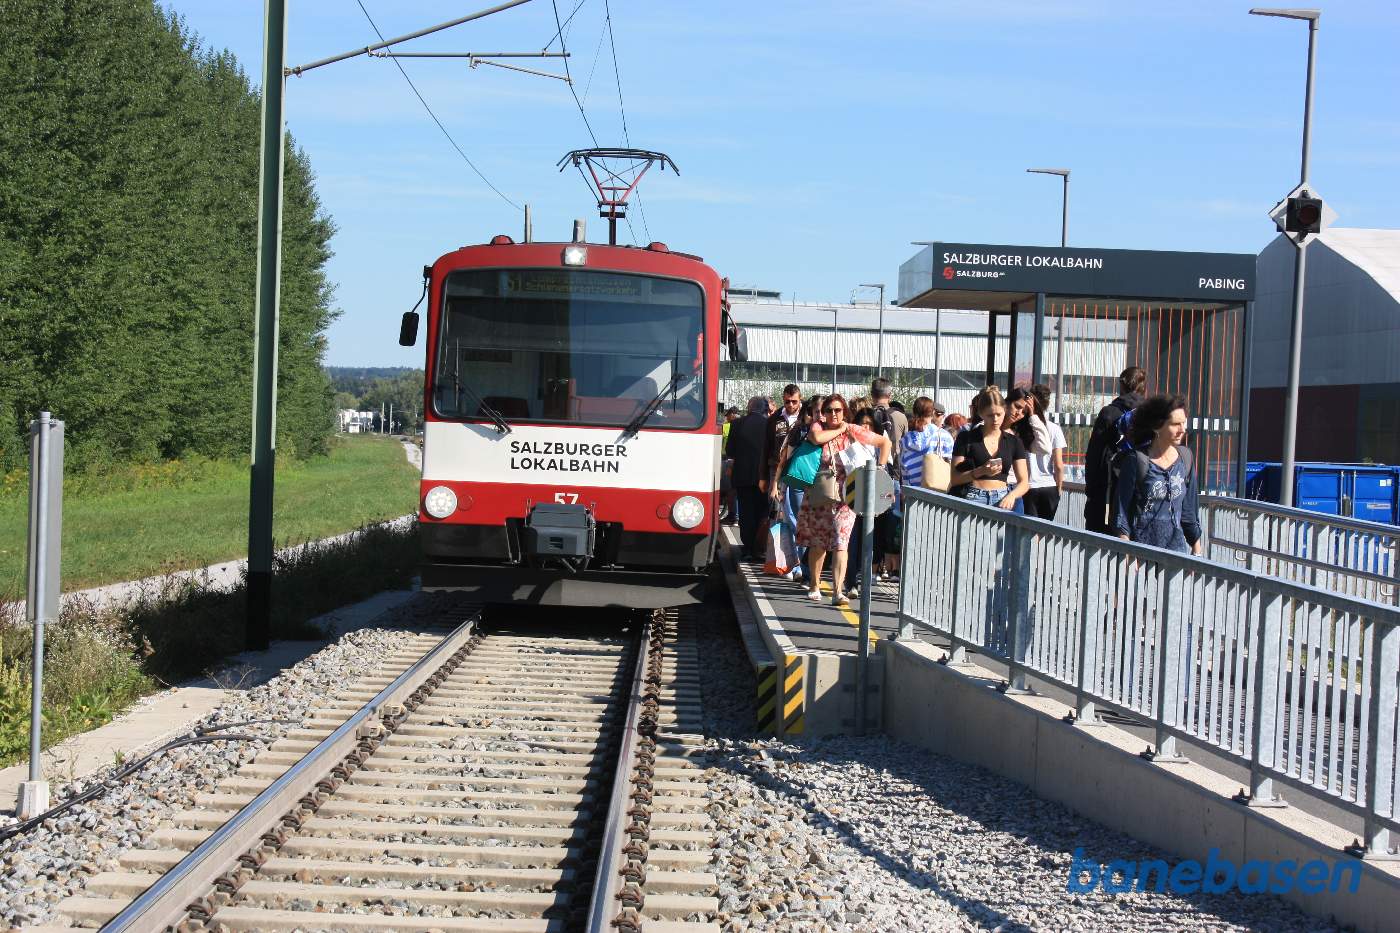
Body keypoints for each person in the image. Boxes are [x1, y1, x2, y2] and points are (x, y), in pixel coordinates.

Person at [797, 394, 891, 608]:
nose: (834, 414)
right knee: (819, 543)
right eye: (829, 410)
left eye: (838, 410)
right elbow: (817, 439)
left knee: (841, 543)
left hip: (846, 494)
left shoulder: (854, 430)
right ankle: (814, 583)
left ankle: (838, 590)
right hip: (820, 493)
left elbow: (884, 441)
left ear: (844, 412)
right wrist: (841, 429)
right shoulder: (817, 427)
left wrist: (880, 469)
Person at [1114, 393, 1202, 555]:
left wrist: (1196, 550)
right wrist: (1126, 552)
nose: (1182, 430)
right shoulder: (1136, 460)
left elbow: (1189, 512)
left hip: (1176, 554)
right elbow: (1122, 513)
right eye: (1175, 424)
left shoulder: (1186, 458)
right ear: (1157, 426)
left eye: (1183, 423)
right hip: (1140, 554)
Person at [1084, 366, 1146, 534]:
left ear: (1122, 386)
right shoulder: (1149, 414)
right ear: (1143, 387)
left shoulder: (1109, 413)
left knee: (1101, 542)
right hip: (1139, 488)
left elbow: (1094, 454)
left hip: (1108, 489)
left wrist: (1091, 490)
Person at [950, 386, 1029, 511]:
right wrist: (981, 471)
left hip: (1003, 498)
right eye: (990, 415)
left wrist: (1012, 496)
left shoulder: (1014, 441)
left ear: (1005, 410)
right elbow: (954, 479)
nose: (995, 419)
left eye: (999, 414)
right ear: (981, 414)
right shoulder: (966, 437)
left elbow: (1024, 482)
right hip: (973, 497)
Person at [1006, 387, 1064, 520]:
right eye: (1017, 407)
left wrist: (1032, 416)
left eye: (1024, 410)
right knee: (1042, 532)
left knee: (1029, 533)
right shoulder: (1054, 428)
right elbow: (1059, 464)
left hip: (1026, 486)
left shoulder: (1026, 429)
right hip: (1045, 486)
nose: (1019, 413)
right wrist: (1059, 488)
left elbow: (1044, 448)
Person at [725, 396, 771, 560]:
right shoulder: (769, 424)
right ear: (763, 409)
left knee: (746, 512)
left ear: (749, 407)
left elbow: (729, 450)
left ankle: (748, 548)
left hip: (742, 476)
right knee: (762, 511)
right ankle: (760, 547)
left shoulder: (737, 424)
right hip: (764, 477)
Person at [899, 396, 954, 488]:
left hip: (913, 492)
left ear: (914, 412)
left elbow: (904, 469)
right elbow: (950, 465)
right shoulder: (944, 436)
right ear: (933, 412)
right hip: (937, 491)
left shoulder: (905, 440)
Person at [721, 407, 742, 525]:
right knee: (735, 490)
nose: (726, 417)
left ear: (733, 414)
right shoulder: (743, 425)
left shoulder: (727, 426)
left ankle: (733, 516)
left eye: (728, 415)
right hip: (737, 460)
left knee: (730, 490)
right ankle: (736, 515)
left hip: (728, 460)